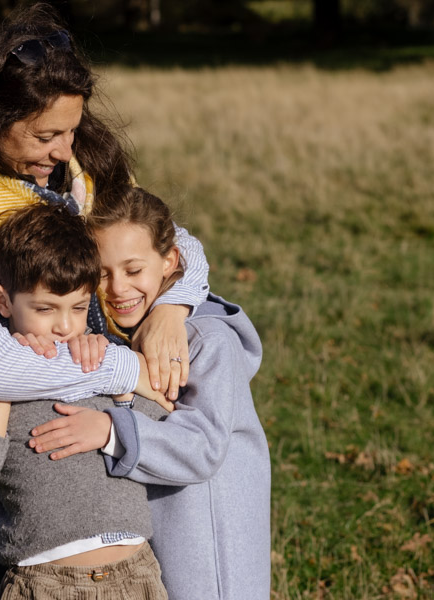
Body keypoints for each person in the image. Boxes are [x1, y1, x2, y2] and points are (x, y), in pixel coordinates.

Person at [0, 4, 210, 599]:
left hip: (113, 476)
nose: (62, 150)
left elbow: (179, 247)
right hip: (20, 489)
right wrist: (125, 367)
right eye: (44, 134)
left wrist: (170, 309)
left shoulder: (72, 181)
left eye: (71, 131)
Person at [28, 186, 271, 599]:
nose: (119, 288)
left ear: (169, 262)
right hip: (159, 541)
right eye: (102, 274)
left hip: (211, 547)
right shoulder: (119, 336)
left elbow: (203, 447)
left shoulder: (210, 341)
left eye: (133, 270)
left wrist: (110, 431)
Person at [0, 203, 170, 599]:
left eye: (79, 309)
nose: (65, 326)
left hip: (136, 574)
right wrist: (4, 381)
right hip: (43, 584)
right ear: (2, 300)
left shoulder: (102, 355)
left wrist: (117, 387)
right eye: (45, 309)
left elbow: (163, 417)